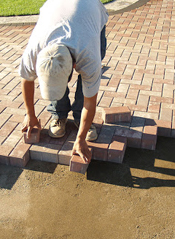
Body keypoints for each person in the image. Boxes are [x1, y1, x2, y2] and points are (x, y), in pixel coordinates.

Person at [19, 0, 108, 164]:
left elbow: (90, 100)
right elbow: (26, 78)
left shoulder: (89, 56)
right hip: (55, 9)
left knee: (87, 80)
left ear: (74, 66)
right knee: (55, 73)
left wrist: (81, 139)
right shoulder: (34, 50)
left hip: (90, 10)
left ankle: (80, 119)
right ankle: (58, 114)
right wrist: (30, 115)